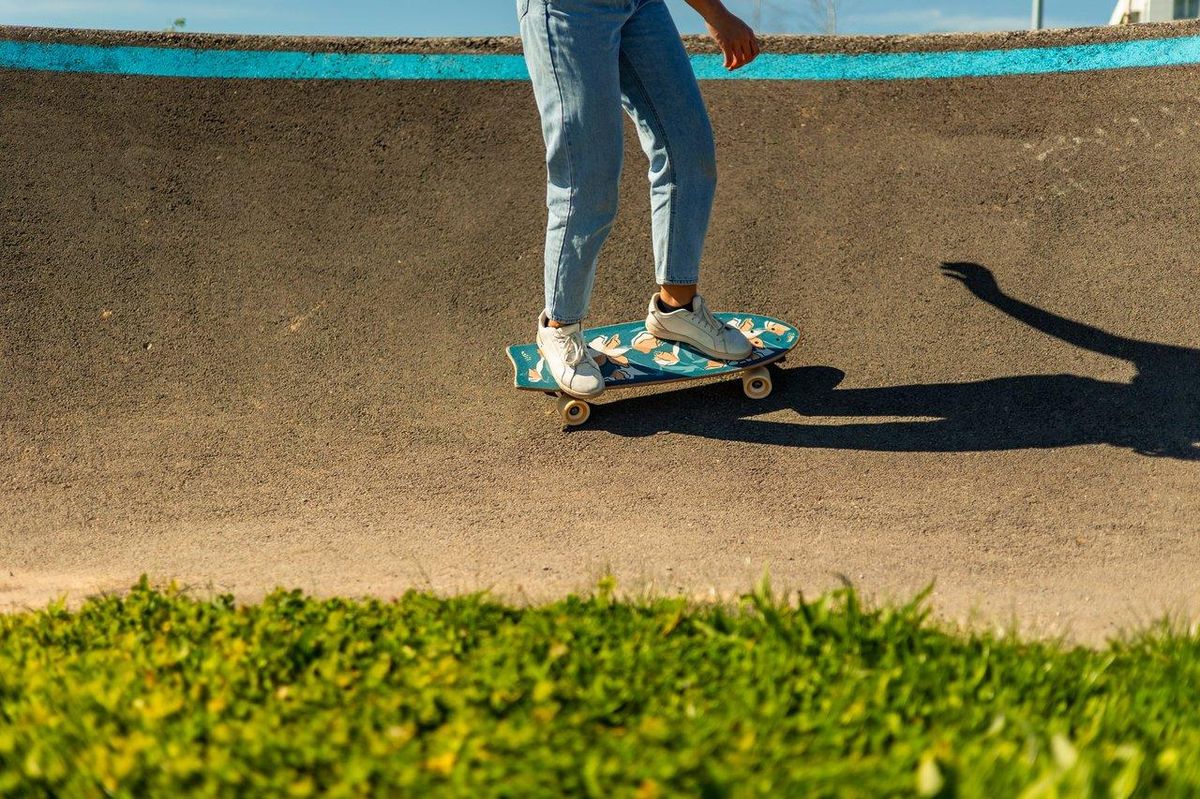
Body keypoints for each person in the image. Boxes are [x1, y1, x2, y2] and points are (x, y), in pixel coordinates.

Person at [518, 0, 761, 399]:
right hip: (567, 10)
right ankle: (559, 328)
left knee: (688, 149)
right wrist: (717, 16)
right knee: (588, 175)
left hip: (640, 5)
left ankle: (676, 308)